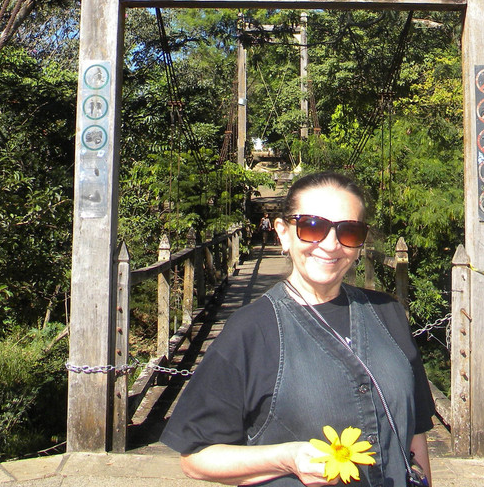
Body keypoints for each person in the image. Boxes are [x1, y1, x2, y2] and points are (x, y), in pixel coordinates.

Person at [161, 171, 434, 486]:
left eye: (349, 232)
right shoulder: (251, 331)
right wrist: (286, 458)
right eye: (312, 227)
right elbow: (196, 458)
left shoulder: (388, 314)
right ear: (283, 233)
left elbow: (415, 434)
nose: (331, 245)